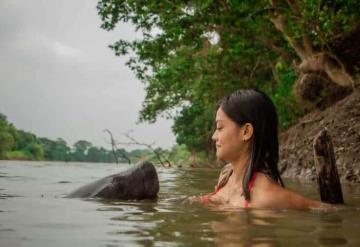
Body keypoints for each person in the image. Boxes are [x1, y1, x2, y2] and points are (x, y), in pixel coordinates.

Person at [199, 89, 329, 210]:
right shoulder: (226, 175)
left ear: (246, 131)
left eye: (220, 127)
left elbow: (328, 210)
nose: (213, 136)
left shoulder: (266, 197)